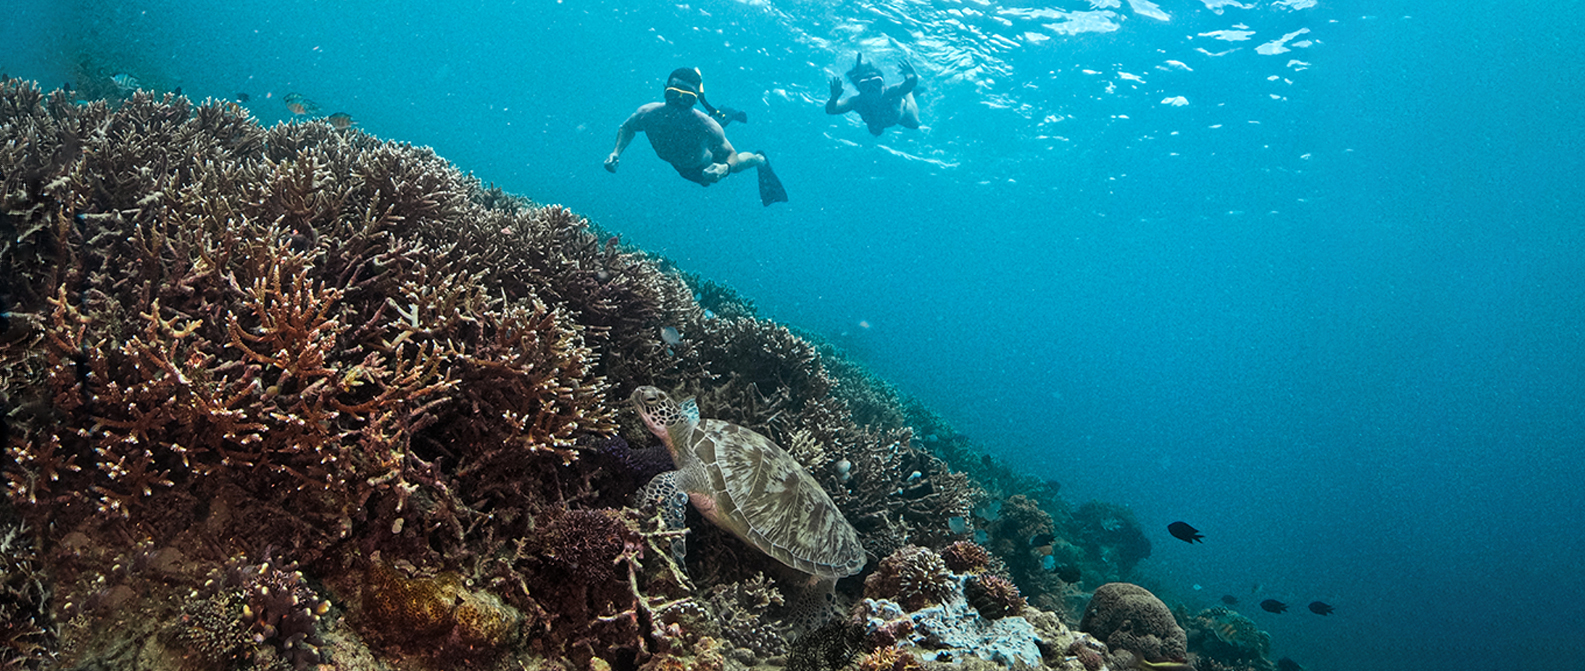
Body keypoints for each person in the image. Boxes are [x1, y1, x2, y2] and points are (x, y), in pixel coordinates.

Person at [605, 68, 784, 204]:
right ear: (665, 90)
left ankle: (760, 159)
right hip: (680, 164)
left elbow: (732, 155)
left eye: (687, 98)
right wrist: (616, 152)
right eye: (673, 95)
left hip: (702, 167)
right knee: (713, 124)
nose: (678, 105)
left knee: (726, 171)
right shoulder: (647, 114)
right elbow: (627, 128)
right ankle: (723, 113)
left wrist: (724, 169)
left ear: (696, 99)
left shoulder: (707, 126)